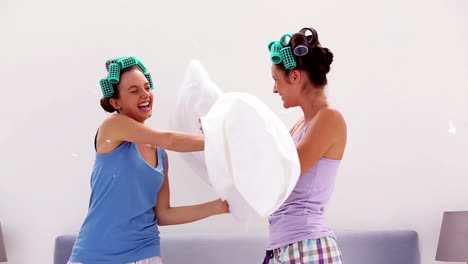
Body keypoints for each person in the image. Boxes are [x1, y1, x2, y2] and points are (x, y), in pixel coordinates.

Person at [68, 56, 229, 264]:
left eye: (147, 87)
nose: (145, 95)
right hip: (96, 255)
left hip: (145, 254)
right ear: (116, 102)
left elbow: (163, 214)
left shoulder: (160, 154)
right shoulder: (112, 126)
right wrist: (220, 141)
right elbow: (169, 138)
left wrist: (219, 206)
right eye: (134, 91)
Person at [264, 27, 347, 263]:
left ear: (295, 77)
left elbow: (284, 173)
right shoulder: (300, 123)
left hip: (307, 248)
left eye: (276, 80)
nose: (274, 89)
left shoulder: (329, 118)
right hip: (286, 246)